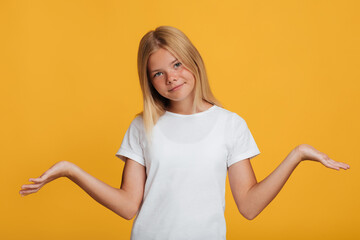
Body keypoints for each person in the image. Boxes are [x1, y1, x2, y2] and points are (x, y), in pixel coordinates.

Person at [19, 26, 350, 240]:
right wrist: (70, 170)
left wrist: (297, 155)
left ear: (193, 61)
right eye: (158, 73)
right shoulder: (143, 126)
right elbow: (127, 206)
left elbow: (248, 206)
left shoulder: (229, 124)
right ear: (150, 81)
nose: (171, 78)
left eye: (176, 64)